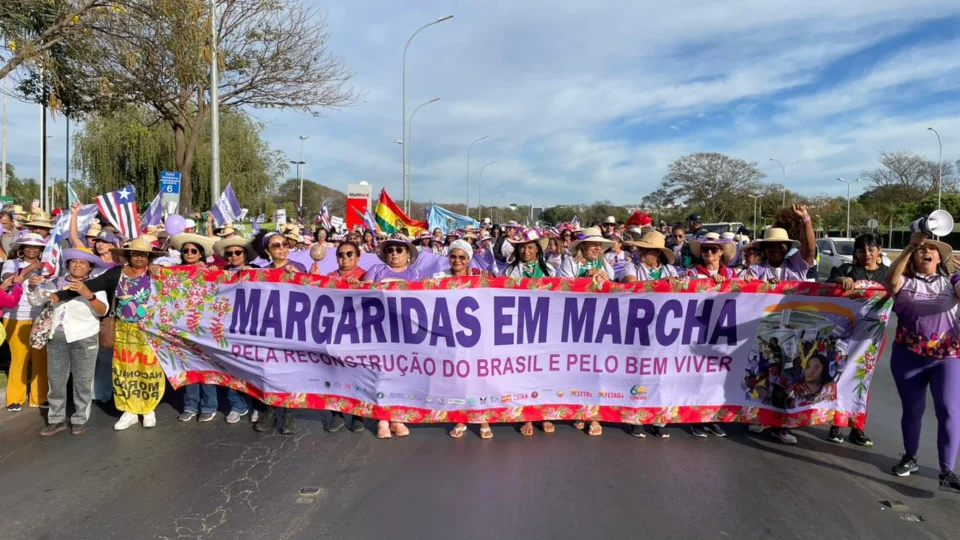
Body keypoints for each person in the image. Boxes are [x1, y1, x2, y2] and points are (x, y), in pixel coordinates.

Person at [55, 237, 168, 430]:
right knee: (124, 369)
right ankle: (129, 410)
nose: (139, 258)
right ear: (129, 255)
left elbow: (185, 283)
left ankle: (148, 409)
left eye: (143, 255)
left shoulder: (157, 273)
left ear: (149, 257)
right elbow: (90, 286)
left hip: (149, 331)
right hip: (123, 329)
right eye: (135, 254)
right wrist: (58, 296)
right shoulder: (117, 272)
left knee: (149, 369)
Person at [885, 231, 960, 492]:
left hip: (947, 358)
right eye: (920, 249)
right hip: (908, 357)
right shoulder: (905, 282)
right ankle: (910, 457)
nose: (925, 252)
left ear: (939, 258)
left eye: (931, 249)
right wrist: (908, 248)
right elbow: (890, 282)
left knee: (949, 411)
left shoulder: (952, 281)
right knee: (913, 410)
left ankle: (947, 472)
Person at [32, 249, 109, 436]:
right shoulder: (56, 282)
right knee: (56, 381)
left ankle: (79, 418)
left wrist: (88, 294)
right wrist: (33, 287)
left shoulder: (95, 285)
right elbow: (36, 301)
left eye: (83, 263)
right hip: (57, 336)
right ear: (67, 265)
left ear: (90, 268)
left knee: (82, 381)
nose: (77, 265)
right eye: (74, 261)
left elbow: (102, 311)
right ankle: (56, 419)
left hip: (85, 336)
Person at [823, 233, 888, 446]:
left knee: (862, 380)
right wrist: (839, 281)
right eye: (862, 250)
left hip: (872, 337)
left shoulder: (888, 274)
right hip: (845, 335)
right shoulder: (846, 270)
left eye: (871, 249)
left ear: (879, 251)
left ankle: (857, 427)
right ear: (856, 252)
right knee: (841, 377)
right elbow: (825, 288)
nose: (867, 254)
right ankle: (836, 424)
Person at [621, 230, 680, 439]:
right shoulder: (631, 267)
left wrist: (671, 283)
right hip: (638, 326)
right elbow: (630, 285)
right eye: (641, 249)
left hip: (664, 328)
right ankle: (637, 417)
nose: (641, 252)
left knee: (661, 373)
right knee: (639, 371)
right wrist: (662, 284)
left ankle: (659, 419)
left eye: (646, 250)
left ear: (658, 253)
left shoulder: (670, 270)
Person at [363, 235, 422, 439]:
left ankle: (397, 418)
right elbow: (363, 293)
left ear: (407, 254)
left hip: (405, 330)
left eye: (399, 250)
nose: (394, 254)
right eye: (390, 250)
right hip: (379, 328)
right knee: (381, 373)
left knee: (402, 372)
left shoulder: (416, 274)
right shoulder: (376, 270)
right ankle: (382, 419)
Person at [501, 228, 556, 436]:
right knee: (524, 371)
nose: (526, 251)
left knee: (544, 370)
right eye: (522, 248)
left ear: (537, 250)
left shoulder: (549, 270)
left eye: (530, 247)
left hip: (544, 327)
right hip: (519, 327)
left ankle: (544, 413)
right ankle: (527, 415)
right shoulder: (509, 271)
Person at [2, 233, 48, 411]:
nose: (32, 249)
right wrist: (32, 267)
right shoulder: (11, 263)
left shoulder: (47, 266)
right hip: (15, 317)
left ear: (41, 249)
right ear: (21, 248)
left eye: (36, 247)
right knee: (19, 358)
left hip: (40, 317)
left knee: (40, 359)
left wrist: (41, 268)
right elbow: (10, 280)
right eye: (28, 246)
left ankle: (40, 397)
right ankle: (15, 398)